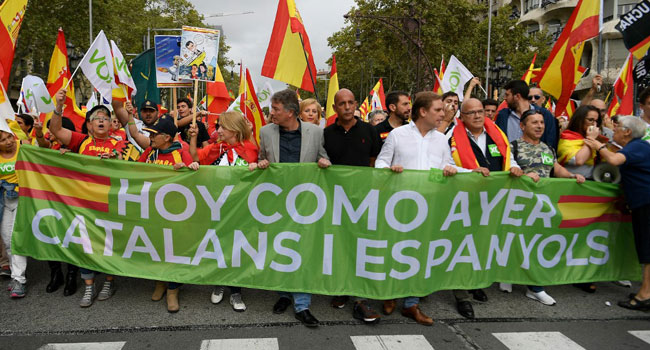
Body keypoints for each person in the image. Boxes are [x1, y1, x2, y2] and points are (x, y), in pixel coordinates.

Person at [375, 91, 466, 326]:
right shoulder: (397, 135)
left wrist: (461, 171)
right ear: (423, 111)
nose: (443, 113)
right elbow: (380, 163)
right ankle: (389, 294)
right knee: (394, 250)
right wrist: (389, 168)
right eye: (438, 109)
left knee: (419, 253)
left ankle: (411, 304)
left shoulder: (441, 139)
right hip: (399, 206)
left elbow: (449, 164)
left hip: (429, 207)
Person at [250, 89, 330, 327]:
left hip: (305, 203)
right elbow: (262, 158)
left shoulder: (316, 132)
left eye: (275, 109)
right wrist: (261, 163)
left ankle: (302, 305)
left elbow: (323, 157)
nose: (271, 113)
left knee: (303, 250)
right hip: (276, 203)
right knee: (282, 248)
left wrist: (324, 162)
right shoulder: (265, 132)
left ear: (291, 112)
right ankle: (284, 294)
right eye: (271, 108)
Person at [447, 98, 523, 318]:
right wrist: (471, 173)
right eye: (472, 113)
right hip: (465, 200)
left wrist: (516, 169)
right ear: (462, 116)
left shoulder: (497, 135)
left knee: (482, 244)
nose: (478, 116)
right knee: (462, 245)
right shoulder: (451, 137)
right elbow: (446, 164)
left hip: (493, 201)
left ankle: (475, 282)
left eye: (481, 111)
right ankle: (461, 294)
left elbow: (509, 160)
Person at [502, 109, 586, 305]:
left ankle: (535, 287)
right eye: (534, 122)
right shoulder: (512, 147)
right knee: (515, 239)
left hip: (543, 205)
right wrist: (522, 175)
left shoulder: (548, 148)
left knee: (537, 243)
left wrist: (572, 176)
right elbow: (507, 171)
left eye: (541, 122)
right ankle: (510, 274)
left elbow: (555, 168)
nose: (539, 126)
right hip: (519, 203)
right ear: (522, 126)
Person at [51, 89, 126, 308]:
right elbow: (55, 130)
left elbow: (128, 169)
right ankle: (89, 285)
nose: (101, 121)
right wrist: (58, 106)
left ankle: (109, 282)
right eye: (96, 119)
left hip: (109, 204)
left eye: (105, 118)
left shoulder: (118, 144)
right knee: (85, 244)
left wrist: (116, 159)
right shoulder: (80, 141)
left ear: (111, 125)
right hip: (83, 204)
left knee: (108, 245)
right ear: (89, 126)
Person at [188, 111, 257, 313]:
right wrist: (193, 140)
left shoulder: (252, 149)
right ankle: (219, 282)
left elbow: (263, 173)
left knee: (236, 249)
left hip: (240, 210)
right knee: (218, 246)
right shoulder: (216, 148)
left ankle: (236, 291)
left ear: (234, 130)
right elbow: (196, 158)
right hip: (216, 208)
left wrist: (259, 166)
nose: (217, 130)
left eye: (222, 127)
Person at [323, 89, 382, 324]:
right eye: (341, 104)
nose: (347, 107)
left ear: (356, 104)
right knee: (339, 245)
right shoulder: (326, 133)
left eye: (350, 103)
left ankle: (360, 298)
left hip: (364, 199)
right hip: (336, 198)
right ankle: (342, 289)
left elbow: (374, 160)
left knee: (361, 245)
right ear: (335, 108)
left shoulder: (370, 130)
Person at [582, 116, 650, 311]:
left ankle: (645, 295)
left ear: (628, 132)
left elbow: (613, 159)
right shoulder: (636, 147)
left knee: (647, 250)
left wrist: (596, 144)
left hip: (646, 202)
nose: (615, 130)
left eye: (618, 127)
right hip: (642, 202)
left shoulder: (638, 146)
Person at [137, 115, 198, 313]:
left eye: (155, 135)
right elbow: (133, 172)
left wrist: (184, 172)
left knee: (173, 250)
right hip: (152, 210)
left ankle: (173, 289)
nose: (151, 138)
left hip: (175, 213)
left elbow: (194, 182)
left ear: (167, 138)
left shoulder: (182, 154)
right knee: (156, 248)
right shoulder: (149, 153)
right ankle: (159, 282)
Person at [32, 117, 80, 296]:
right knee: (50, 233)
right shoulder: (48, 147)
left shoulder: (77, 148)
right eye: (49, 130)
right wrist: (38, 132)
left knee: (70, 235)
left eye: (54, 130)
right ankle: (56, 273)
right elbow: (42, 145)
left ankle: (71, 275)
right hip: (49, 197)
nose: (50, 133)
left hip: (71, 199)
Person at [0, 130, 27, 298]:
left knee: (16, 240)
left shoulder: (23, 147)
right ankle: (15, 275)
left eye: (10, 136)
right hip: (4, 202)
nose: (9, 141)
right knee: (8, 241)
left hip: (23, 201)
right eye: (3, 140)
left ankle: (19, 279)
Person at [496, 80, 558, 150]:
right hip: (508, 160)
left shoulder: (545, 115)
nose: (505, 98)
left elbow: (551, 142)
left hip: (536, 159)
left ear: (517, 96)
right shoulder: (502, 115)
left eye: (507, 95)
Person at [557, 105, 601, 180]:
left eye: (597, 121)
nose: (594, 124)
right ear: (580, 120)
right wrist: (590, 138)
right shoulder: (567, 137)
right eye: (591, 120)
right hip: (570, 182)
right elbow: (578, 160)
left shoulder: (596, 138)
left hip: (589, 181)